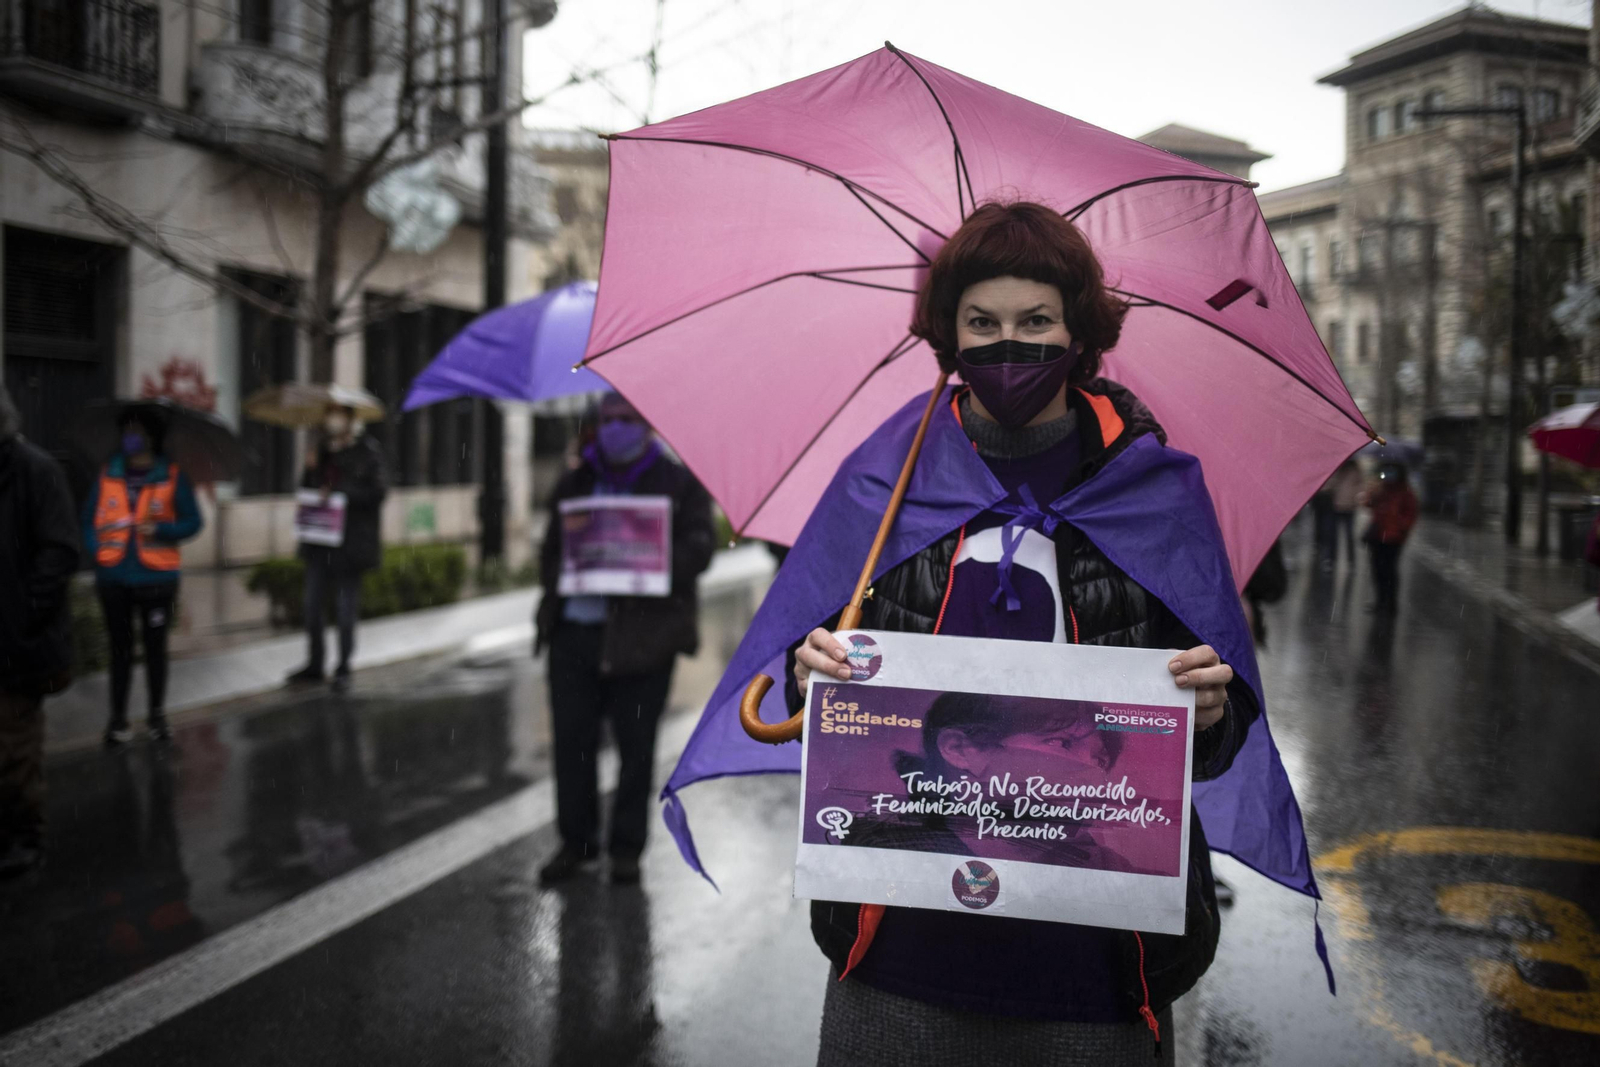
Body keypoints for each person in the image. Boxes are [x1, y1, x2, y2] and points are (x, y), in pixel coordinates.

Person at [789, 202, 1259, 1065]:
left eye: (1036, 320)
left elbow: (1219, 741)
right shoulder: (888, 478)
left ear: (1080, 330)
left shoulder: (1155, 487)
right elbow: (811, 690)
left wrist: (1212, 711)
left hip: (1092, 970)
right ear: (949, 332)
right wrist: (810, 667)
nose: (1011, 345)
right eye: (984, 322)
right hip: (899, 954)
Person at [535, 393, 714, 886]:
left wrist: (647, 554)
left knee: (637, 750)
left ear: (648, 425)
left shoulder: (677, 484)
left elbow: (701, 551)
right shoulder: (577, 480)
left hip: (645, 642)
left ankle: (626, 849)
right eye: (609, 420)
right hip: (574, 635)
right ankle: (577, 842)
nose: (616, 429)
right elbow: (550, 553)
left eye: (628, 420)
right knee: (573, 747)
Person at [83, 405, 203, 744]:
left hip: (157, 581)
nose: (131, 438)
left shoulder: (173, 476)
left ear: (152, 436)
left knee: (154, 650)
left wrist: (163, 530)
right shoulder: (108, 474)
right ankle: (118, 719)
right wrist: (97, 555)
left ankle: (156, 716)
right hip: (114, 579)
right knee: (119, 651)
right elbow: (90, 521)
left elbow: (193, 522)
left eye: (138, 431)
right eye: (127, 431)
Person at [0, 382, 79, 877]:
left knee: (14, 748)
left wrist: (24, 612)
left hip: (19, 643)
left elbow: (60, 551)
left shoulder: (37, 472)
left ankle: (25, 837)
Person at [287, 404, 388, 694]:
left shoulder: (368, 453)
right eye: (328, 414)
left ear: (349, 419)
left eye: (338, 415)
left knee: (345, 609)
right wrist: (309, 470)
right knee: (312, 606)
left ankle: (343, 666)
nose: (332, 420)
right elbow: (307, 491)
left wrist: (343, 492)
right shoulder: (320, 453)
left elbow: (378, 492)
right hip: (319, 542)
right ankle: (315, 664)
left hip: (350, 545)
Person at [1363, 462, 1420, 616]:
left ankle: (1391, 604)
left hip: (1394, 538)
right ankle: (1380, 601)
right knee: (1377, 570)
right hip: (1377, 535)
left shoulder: (1406, 492)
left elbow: (1411, 514)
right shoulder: (1382, 489)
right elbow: (1367, 504)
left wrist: (1400, 524)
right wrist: (1373, 493)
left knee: (1389, 571)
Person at [1328, 459, 1364, 568]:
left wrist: (1356, 497)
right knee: (1333, 534)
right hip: (1337, 505)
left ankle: (1351, 559)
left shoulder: (1355, 469)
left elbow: (1360, 485)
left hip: (1350, 507)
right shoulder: (1337, 468)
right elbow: (1330, 484)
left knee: (1349, 534)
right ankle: (1332, 559)